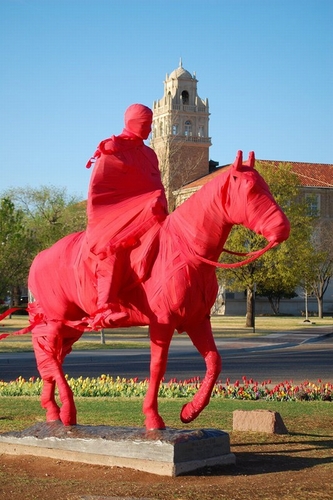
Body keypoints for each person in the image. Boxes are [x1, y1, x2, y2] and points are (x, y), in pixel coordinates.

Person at [84, 103, 168, 328]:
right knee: (115, 251)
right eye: (145, 124)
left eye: (151, 125)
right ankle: (105, 307)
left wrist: (157, 204)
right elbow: (101, 186)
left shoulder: (150, 154)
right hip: (116, 218)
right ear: (132, 123)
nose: (149, 129)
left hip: (150, 217)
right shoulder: (113, 148)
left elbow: (154, 185)